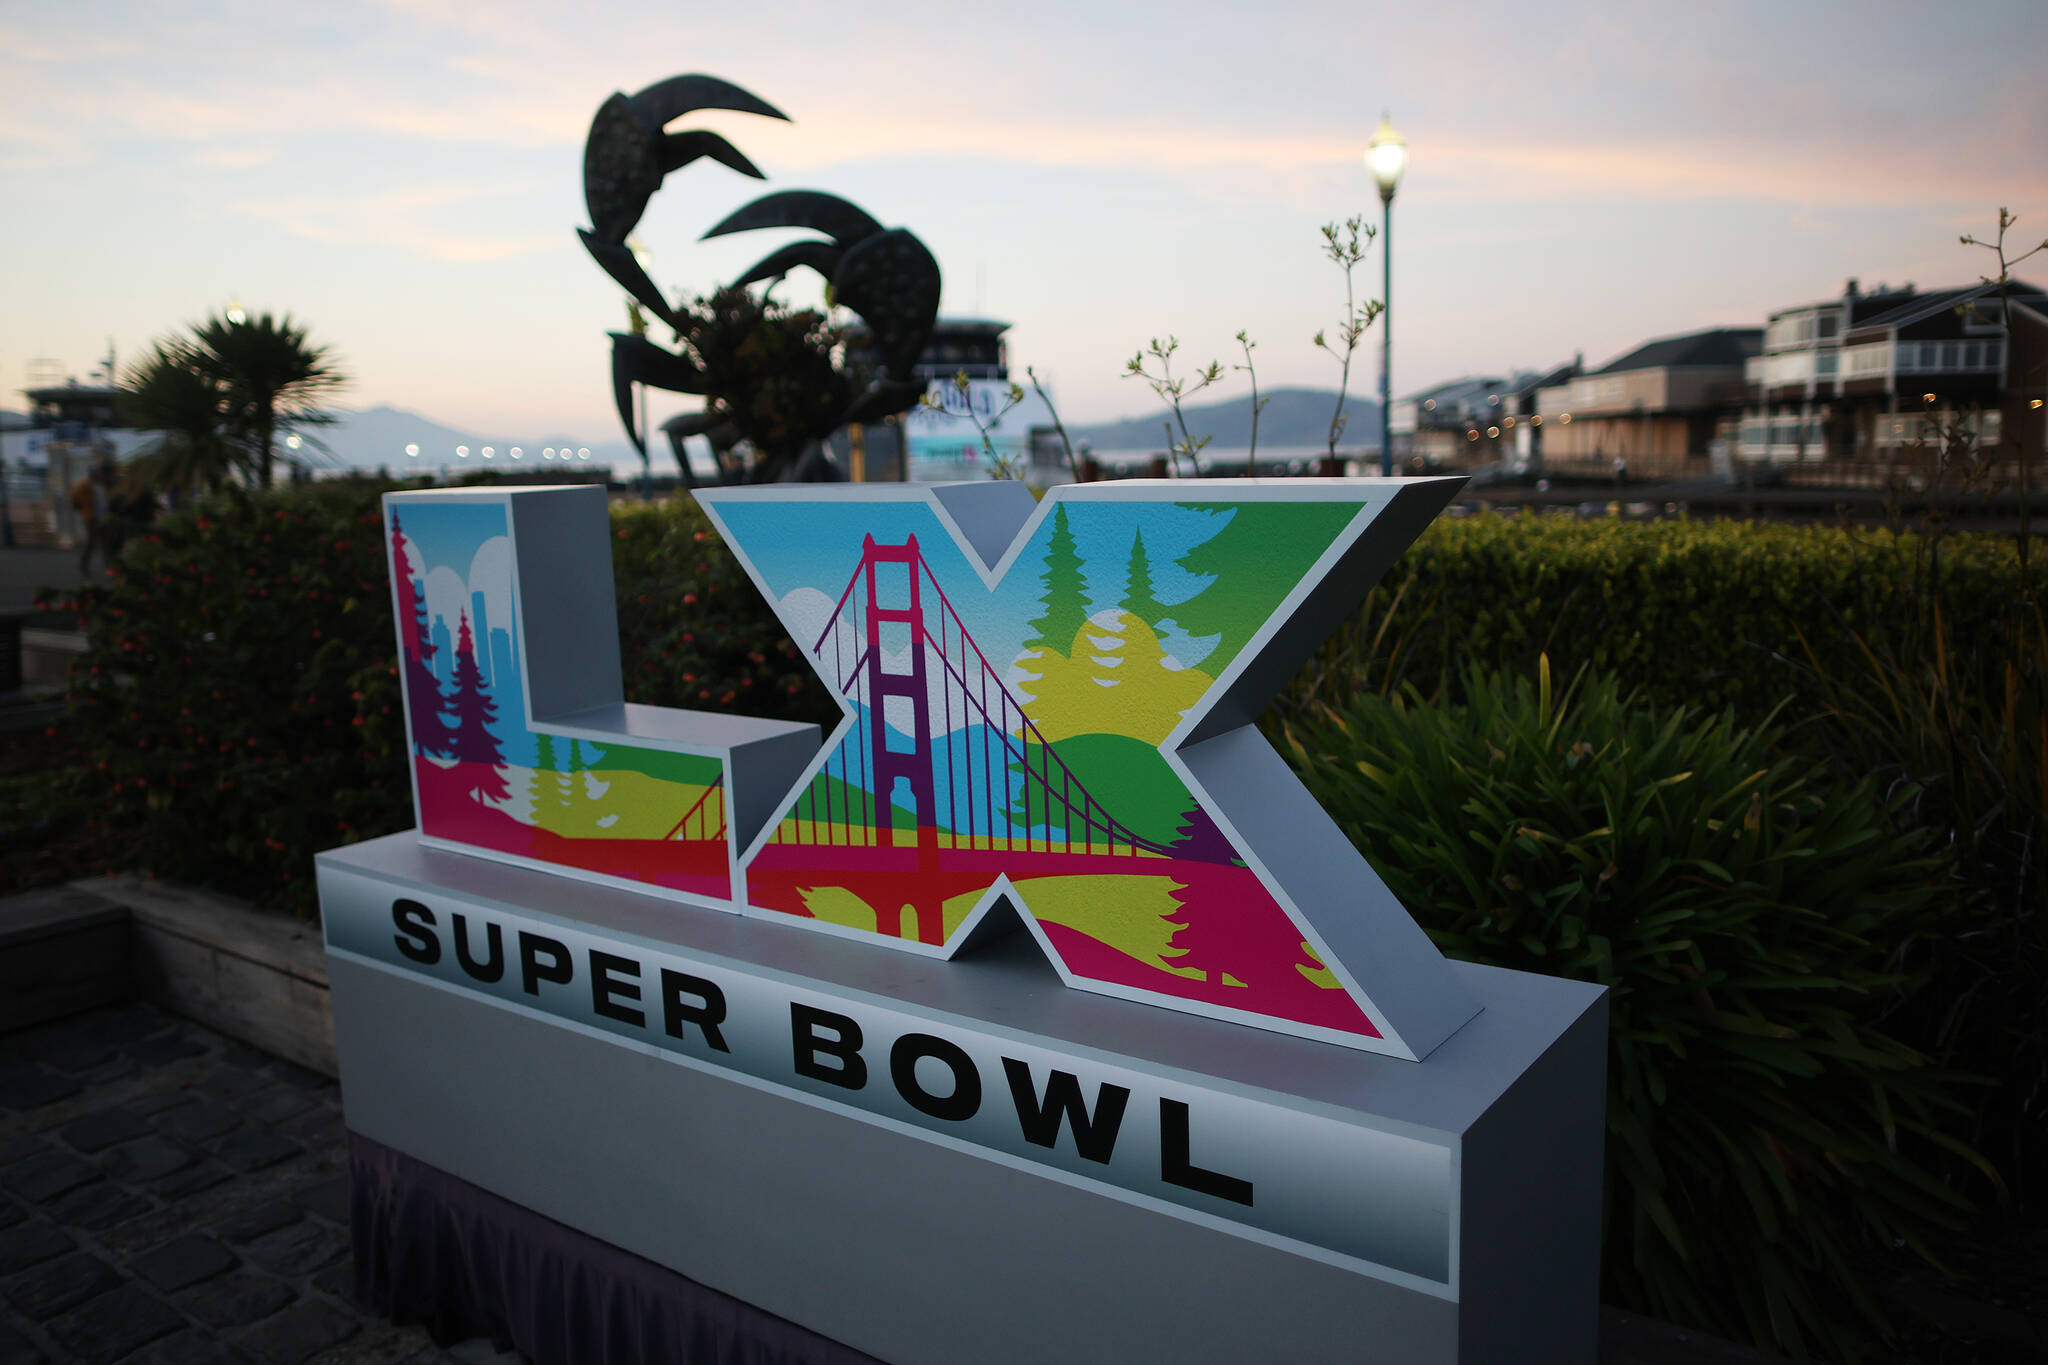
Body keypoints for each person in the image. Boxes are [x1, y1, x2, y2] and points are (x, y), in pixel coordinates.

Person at [69, 462, 114, 574]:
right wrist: (80, 508)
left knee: (105, 541)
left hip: (103, 517)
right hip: (91, 517)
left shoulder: (102, 485)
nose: (101, 475)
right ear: (94, 474)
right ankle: (84, 566)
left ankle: (109, 565)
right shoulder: (86, 484)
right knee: (91, 542)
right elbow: (73, 495)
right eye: (98, 473)